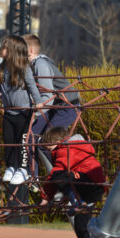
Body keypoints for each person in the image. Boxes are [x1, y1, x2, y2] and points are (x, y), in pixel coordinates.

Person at [0, 36, 44, 185]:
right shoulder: (1, 68)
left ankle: (23, 169)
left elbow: (32, 86)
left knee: (22, 142)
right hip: (9, 112)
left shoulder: (23, 68)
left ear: (13, 50)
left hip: (24, 113)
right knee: (9, 141)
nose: (2, 50)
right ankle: (11, 167)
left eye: (5, 47)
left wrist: (38, 102)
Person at [23, 34, 80, 180]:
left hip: (67, 106)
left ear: (29, 50)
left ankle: (61, 177)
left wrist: (35, 114)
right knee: (31, 136)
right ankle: (32, 176)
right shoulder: (31, 66)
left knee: (48, 141)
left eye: (19, 50)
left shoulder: (41, 65)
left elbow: (47, 96)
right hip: (54, 107)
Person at [40, 127, 105, 238]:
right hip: (94, 188)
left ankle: (77, 201)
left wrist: (45, 198)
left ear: (58, 143)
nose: (49, 153)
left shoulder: (66, 149)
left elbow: (57, 173)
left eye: (49, 149)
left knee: (57, 175)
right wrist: (67, 193)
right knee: (81, 225)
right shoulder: (77, 147)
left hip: (86, 182)